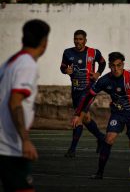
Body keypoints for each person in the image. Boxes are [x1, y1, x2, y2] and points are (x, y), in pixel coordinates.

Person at [71, 52, 130, 179]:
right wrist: (77, 114)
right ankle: (99, 173)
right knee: (109, 138)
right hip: (118, 113)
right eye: (113, 66)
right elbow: (89, 96)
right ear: (109, 65)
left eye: (119, 65)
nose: (116, 69)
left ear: (123, 65)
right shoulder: (104, 80)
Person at [0, 19, 50, 191]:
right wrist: (25, 140)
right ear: (44, 42)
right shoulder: (27, 65)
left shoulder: (9, 62)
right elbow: (15, 102)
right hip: (9, 146)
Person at [60, 30, 106, 158]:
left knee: (78, 117)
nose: (78, 41)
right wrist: (65, 70)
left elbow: (102, 62)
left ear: (85, 40)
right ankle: (101, 138)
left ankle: (72, 149)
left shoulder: (93, 52)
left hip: (89, 89)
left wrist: (98, 74)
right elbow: (63, 66)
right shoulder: (67, 52)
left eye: (80, 39)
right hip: (75, 90)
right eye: (76, 39)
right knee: (86, 118)